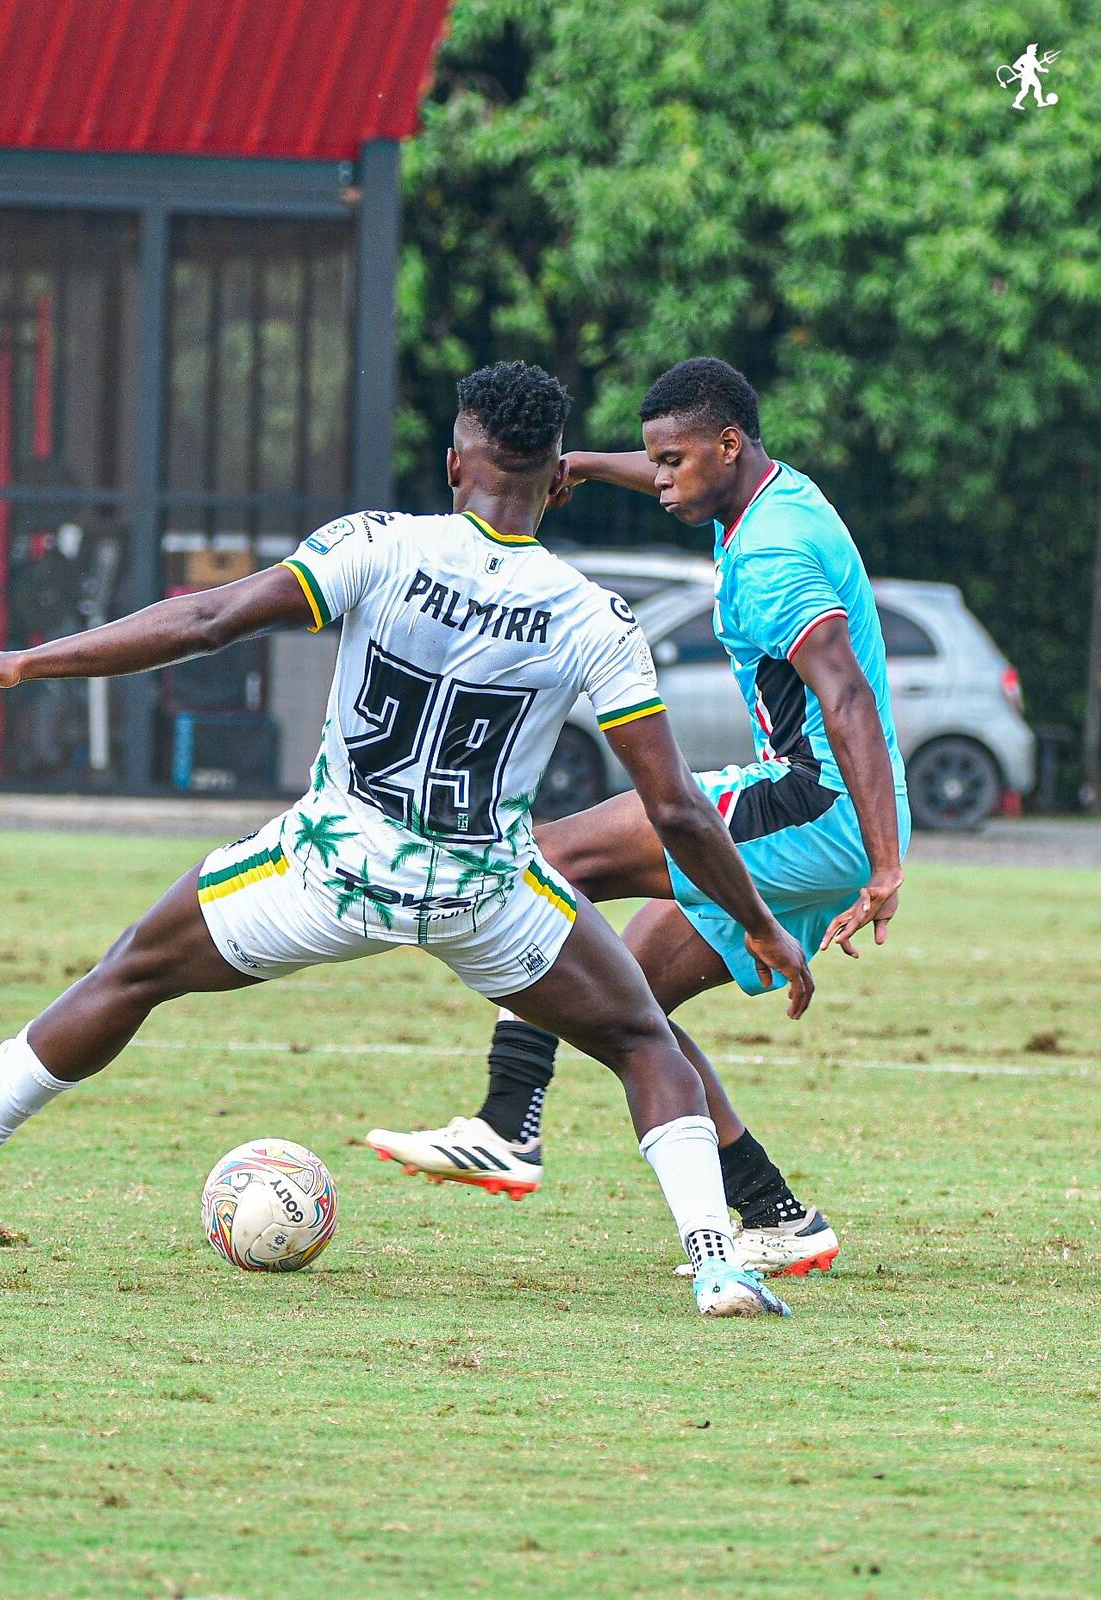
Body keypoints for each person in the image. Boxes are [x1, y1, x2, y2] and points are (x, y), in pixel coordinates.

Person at [0, 360, 815, 1319]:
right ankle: (716, 1262)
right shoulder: (593, 616)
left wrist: (20, 662)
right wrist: (761, 926)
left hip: (327, 869)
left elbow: (204, 621)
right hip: (487, 898)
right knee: (645, 1044)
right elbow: (679, 809)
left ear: (455, 464)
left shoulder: (377, 545)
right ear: (558, 479)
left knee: (134, 971)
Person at [367, 357, 909, 1279]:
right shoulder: (779, 498)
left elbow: (847, 697)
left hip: (813, 804)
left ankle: (507, 1122)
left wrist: (886, 866)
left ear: (728, 445)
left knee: (546, 857)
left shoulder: (773, 555)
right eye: (652, 462)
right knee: (628, 1002)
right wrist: (588, 460)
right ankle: (775, 1212)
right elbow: (676, 462)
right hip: (829, 815)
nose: (659, 480)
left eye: (672, 463)